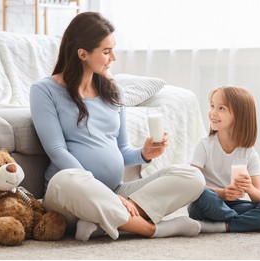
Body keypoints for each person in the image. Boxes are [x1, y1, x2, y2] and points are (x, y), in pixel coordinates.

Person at [29, 12, 205, 241]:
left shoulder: (112, 91)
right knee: (66, 180)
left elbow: (122, 151)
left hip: (117, 191)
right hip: (70, 195)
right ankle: (152, 229)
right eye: (106, 51)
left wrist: (144, 154)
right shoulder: (44, 91)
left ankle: (101, 223)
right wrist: (105, 195)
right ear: (82, 53)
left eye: (113, 49)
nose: (113, 57)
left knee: (192, 176)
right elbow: (57, 151)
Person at [188, 86, 260, 233]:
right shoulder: (204, 145)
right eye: (212, 106)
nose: (212, 113)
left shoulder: (249, 154)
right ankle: (248, 223)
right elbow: (191, 185)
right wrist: (222, 193)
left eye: (221, 108)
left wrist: (249, 188)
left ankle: (225, 225)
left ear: (239, 116)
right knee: (203, 196)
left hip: (233, 205)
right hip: (207, 202)